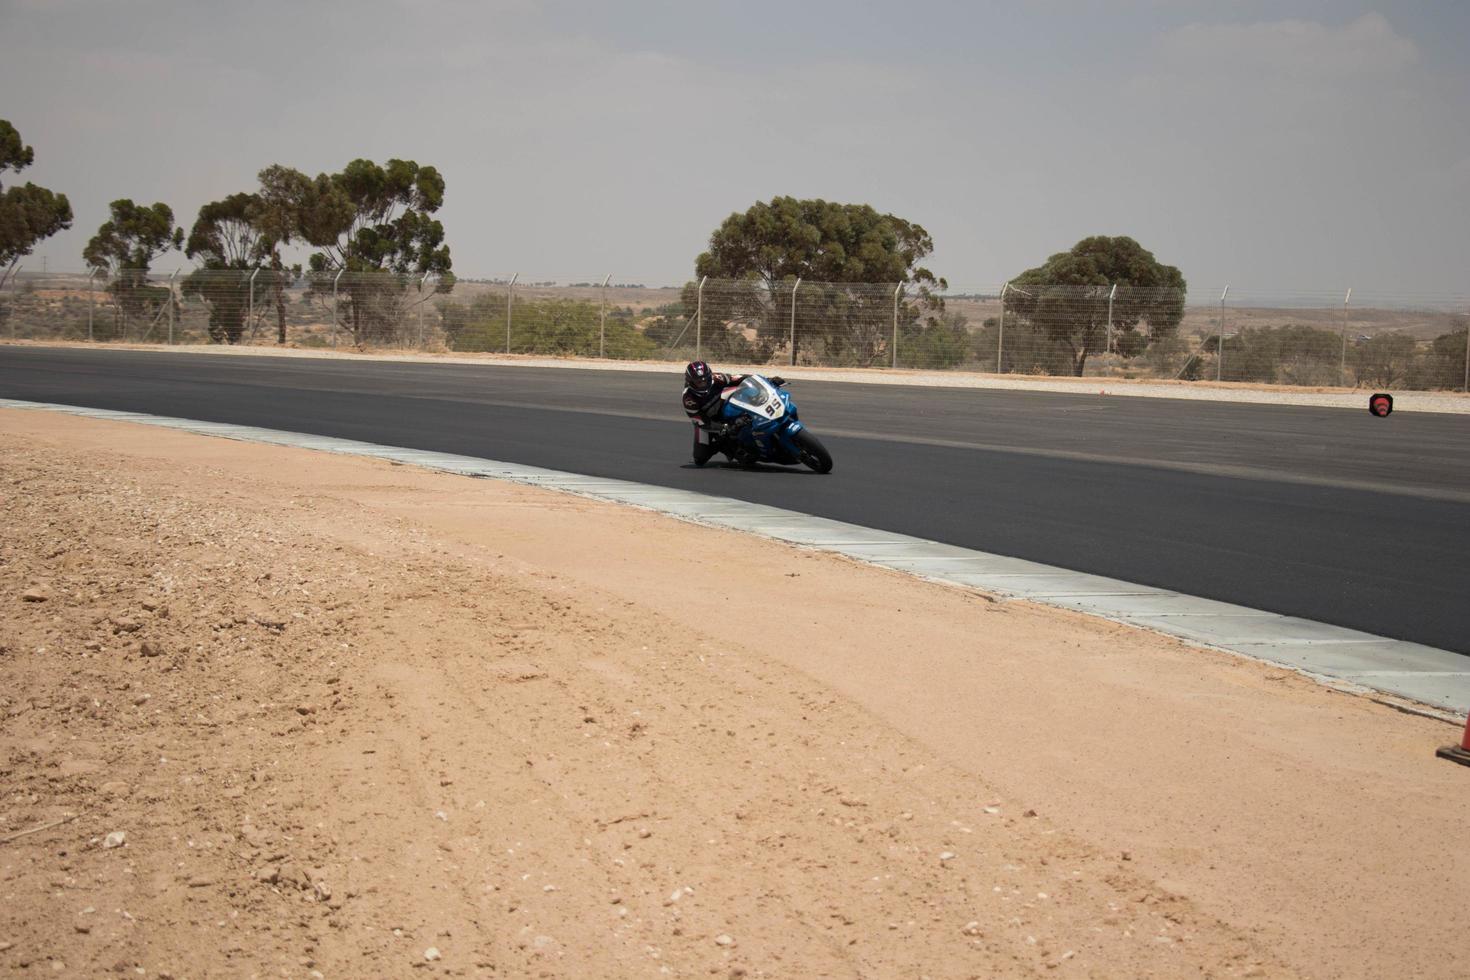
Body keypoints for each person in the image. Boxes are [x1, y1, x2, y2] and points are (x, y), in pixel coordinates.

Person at [681, 361, 783, 466]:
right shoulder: (689, 399)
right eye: (698, 382)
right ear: (690, 382)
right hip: (709, 421)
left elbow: (739, 378)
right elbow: (701, 422)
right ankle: (725, 447)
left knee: (744, 392)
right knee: (700, 458)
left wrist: (768, 380)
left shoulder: (717, 378)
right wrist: (724, 428)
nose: (703, 384)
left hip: (726, 406)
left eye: (705, 380)